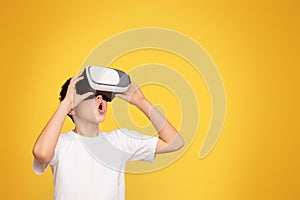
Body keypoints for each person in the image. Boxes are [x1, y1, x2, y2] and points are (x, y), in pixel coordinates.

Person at [32, 71, 184, 200]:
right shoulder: (60, 144)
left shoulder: (120, 141)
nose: (100, 99)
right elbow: (41, 153)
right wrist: (66, 103)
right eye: (91, 95)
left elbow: (174, 142)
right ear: (71, 108)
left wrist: (141, 102)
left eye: (102, 96)